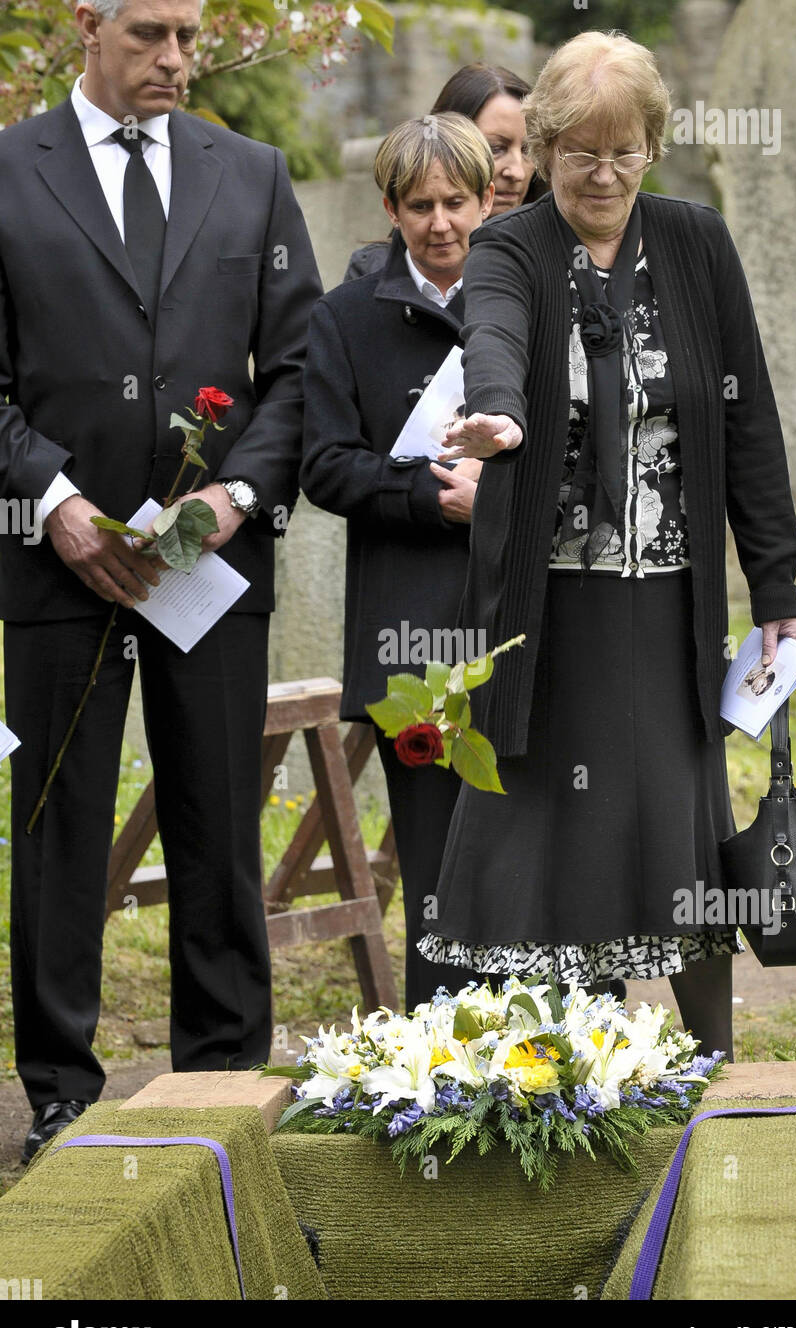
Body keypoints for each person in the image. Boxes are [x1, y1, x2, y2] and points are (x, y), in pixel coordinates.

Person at [417, 31, 796, 1058]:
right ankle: (562, 1072)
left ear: (653, 148)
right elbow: (493, 337)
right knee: (549, 828)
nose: (602, 174)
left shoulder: (696, 243)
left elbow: (748, 423)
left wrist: (779, 587)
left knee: (677, 823)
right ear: (542, 148)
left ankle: (715, 1063)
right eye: (580, 152)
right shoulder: (511, 248)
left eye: (623, 151)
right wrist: (497, 416)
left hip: (666, 594)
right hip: (548, 601)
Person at [0, 0, 322, 1161]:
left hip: (210, 566)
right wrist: (54, 502)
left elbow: (298, 371)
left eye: (187, 35)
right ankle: (60, 1096)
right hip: (55, 564)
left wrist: (228, 500)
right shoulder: (6, 172)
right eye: (149, 34)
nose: (176, 60)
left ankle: (223, 1093)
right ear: (87, 26)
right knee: (60, 828)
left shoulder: (255, 177)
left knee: (218, 820)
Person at [301, 114, 496, 1011]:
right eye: (420, 205)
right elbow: (325, 465)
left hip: (521, 622)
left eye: (457, 201)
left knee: (534, 858)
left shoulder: (526, 303)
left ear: (489, 198)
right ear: (390, 208)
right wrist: (424, 493)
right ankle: (443, 1076)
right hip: (409, 641)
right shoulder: (344, 318)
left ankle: (563, 1071)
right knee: (438, 873)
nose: (441, 223)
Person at [344, 62, 542, 282]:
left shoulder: (559, 260)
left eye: (528, 149)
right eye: (495, 148)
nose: (517, 172)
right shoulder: (373, 273)